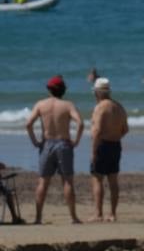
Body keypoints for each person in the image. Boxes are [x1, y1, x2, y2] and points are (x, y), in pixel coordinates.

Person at [24, 75, 83, 225]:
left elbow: (28, 124)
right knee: (67, 182)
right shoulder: (68, 105)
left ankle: (38, 218)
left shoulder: (41, 104)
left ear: (49, 90)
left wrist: (35, 142)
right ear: (63, 90)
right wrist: (75, 141)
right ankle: (73, 217)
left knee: (43, 182)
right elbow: (80, 123)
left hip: (47, 144)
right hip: (64, 144)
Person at [89, 78, 129, 222]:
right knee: (113, 180)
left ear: (98, 93)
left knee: (97, 179)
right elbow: (125, 129)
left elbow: (97, 130)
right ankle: (112, 214)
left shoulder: (100, 107)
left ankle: (98, 214)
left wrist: (93, 151)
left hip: (102, 144)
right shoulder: (119, 106)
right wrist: (115, 135)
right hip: (115, 144)